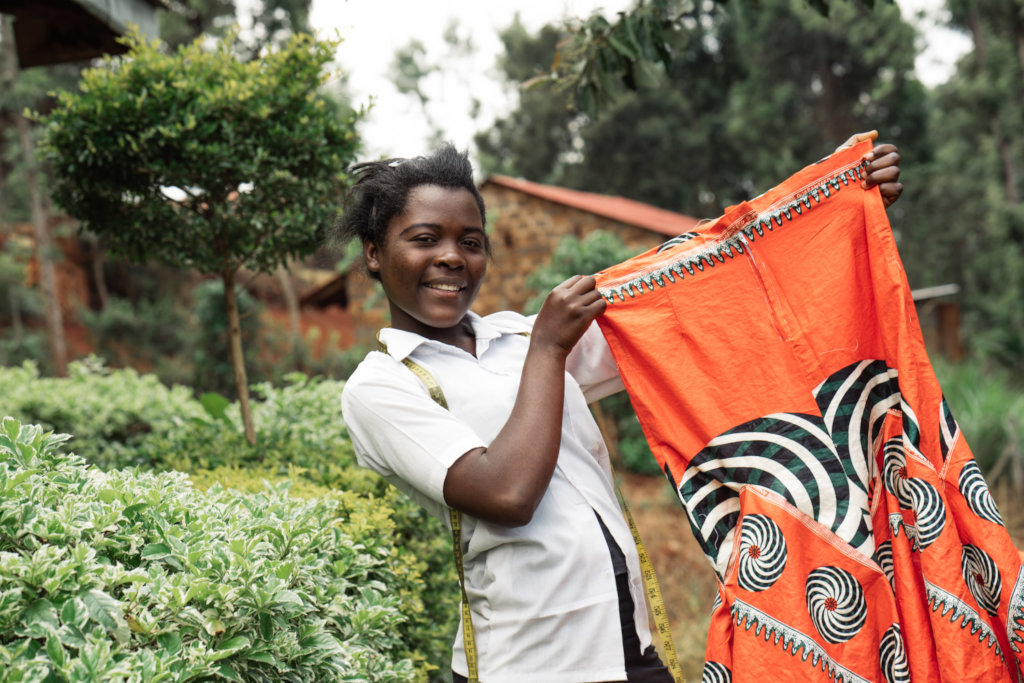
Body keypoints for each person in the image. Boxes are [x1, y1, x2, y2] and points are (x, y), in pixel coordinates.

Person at [336, 135, 902, 682]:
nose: (452, 258)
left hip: (629, 645)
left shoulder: (518, 338)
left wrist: (834, 209)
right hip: (529, 661)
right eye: (425, 239)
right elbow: (506, 495)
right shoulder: (383, 385)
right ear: (374, 253)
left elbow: (687, 306)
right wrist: (551, 348)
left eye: (471, 241)